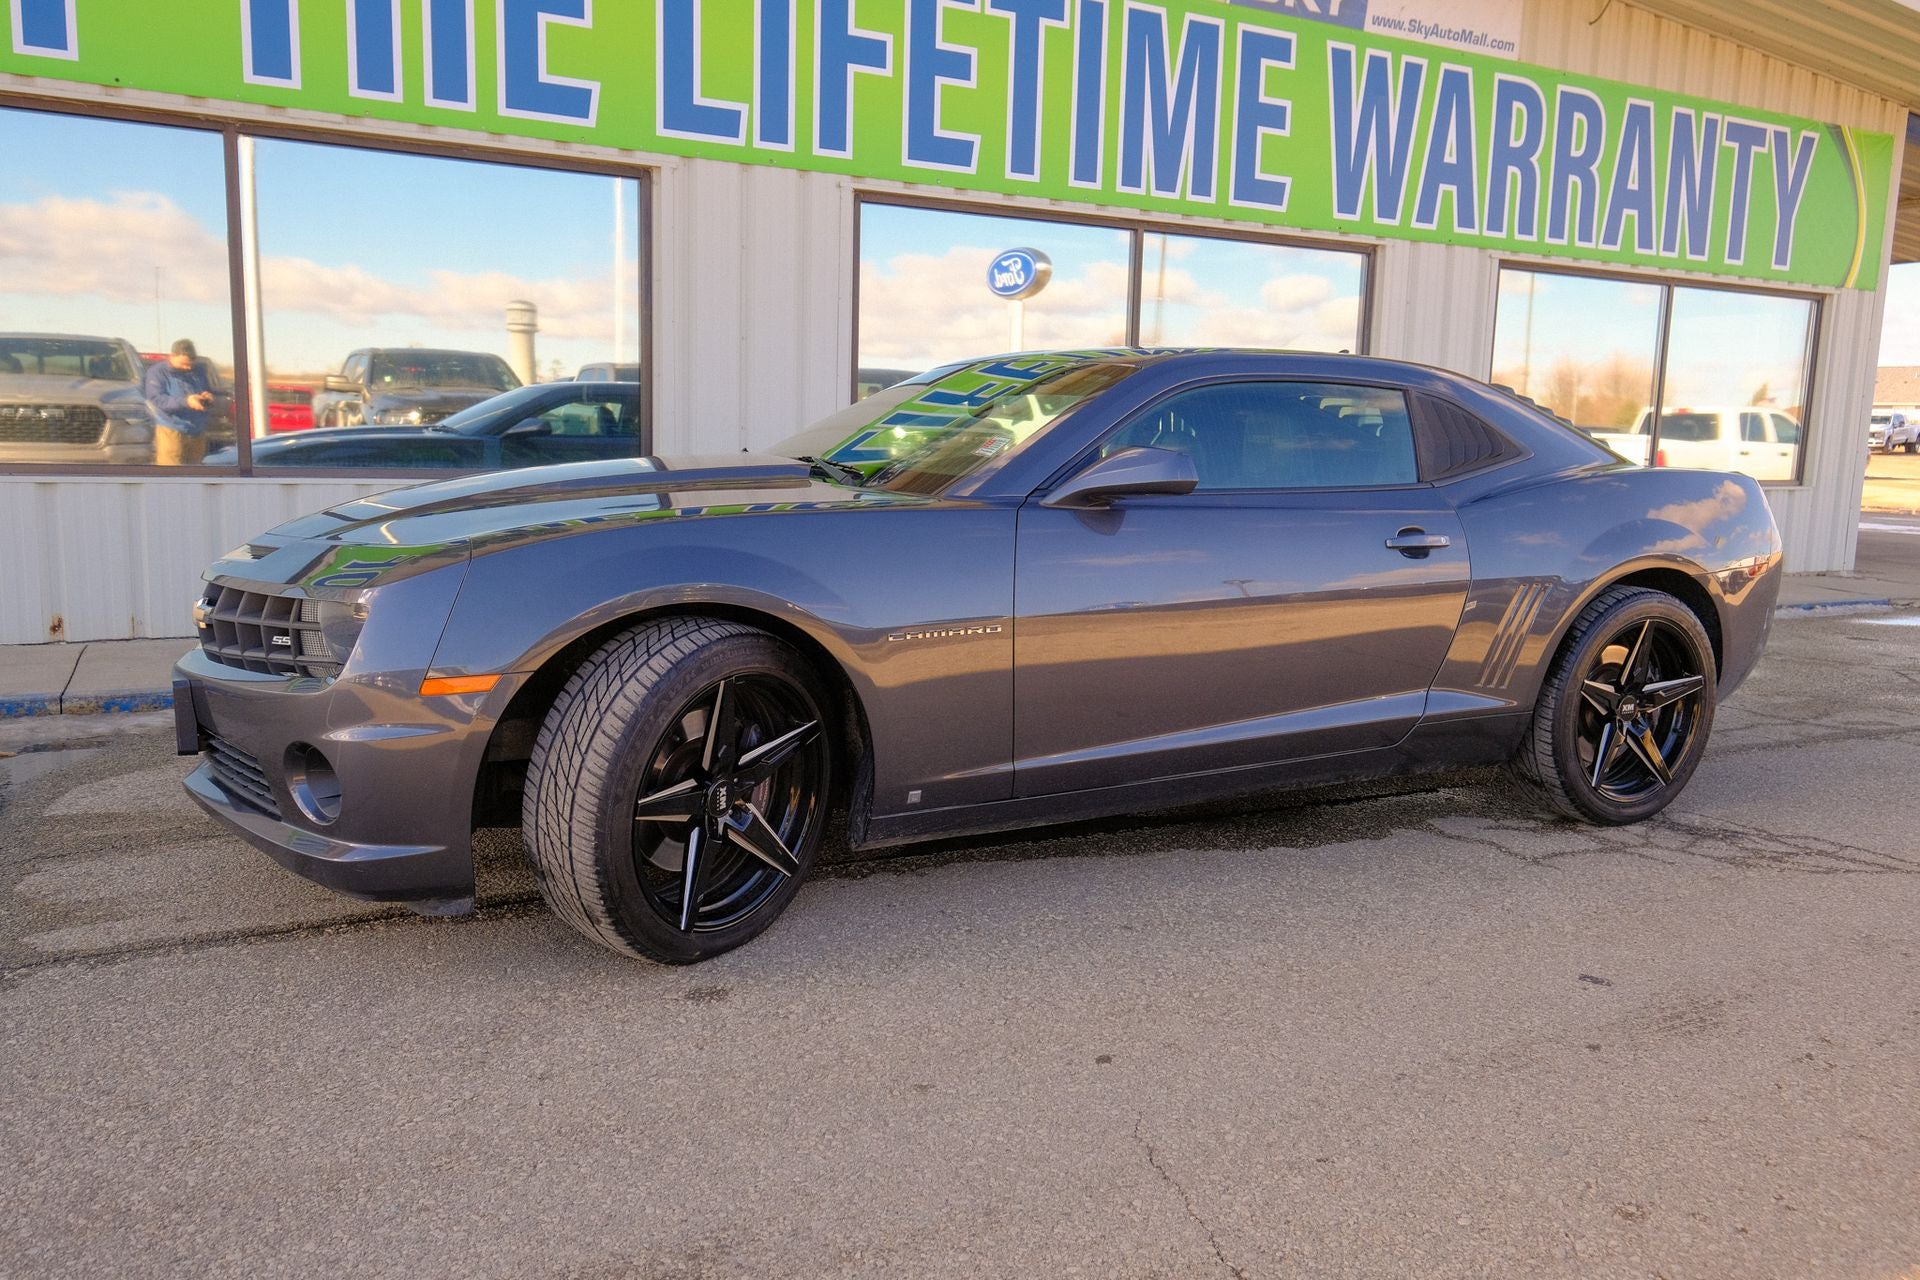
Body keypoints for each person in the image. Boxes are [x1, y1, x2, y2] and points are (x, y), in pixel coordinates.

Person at [143, 338, 215, 465]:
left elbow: (206, 388)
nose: (188, 368)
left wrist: (207, 396)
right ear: (172, 356)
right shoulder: (157, 372)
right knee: (171, 473)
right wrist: (186, 402)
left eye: (190, 364)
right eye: (184, 364)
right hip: (171, 429)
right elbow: (157, 400)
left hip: (197, 430)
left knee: (197, 472)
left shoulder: (198, 370)